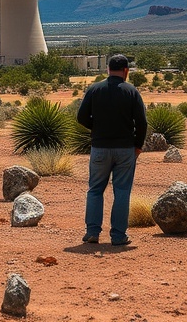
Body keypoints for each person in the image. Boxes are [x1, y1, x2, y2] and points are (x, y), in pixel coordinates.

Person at [77, 54, 147, 246]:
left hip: (100, 148)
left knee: (95, 190)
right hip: (125, 150)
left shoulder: (95, 89)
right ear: (126, 71)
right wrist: (138, 145)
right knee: (122, 191)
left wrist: (98, 128)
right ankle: (118, 236)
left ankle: (92, 232)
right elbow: (142, 123)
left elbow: (81, 117)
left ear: (107, 70)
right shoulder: (131, 91)